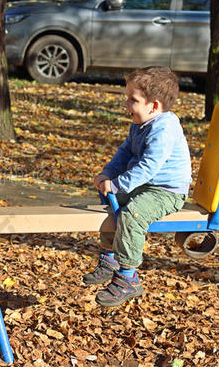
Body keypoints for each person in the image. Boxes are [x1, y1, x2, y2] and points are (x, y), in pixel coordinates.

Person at [84, 66, 192, 307]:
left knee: (133, 214)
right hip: (145, 186)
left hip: (166, 191)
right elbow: (125, 153)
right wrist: (107, 175)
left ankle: (128, 277)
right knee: (110, 204)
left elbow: (148, 167)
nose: (126, 104)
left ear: (153, 106)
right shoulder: (140, 123)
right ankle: (110, 258)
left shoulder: (163, 129)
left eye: (133, 100)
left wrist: (119, 184)